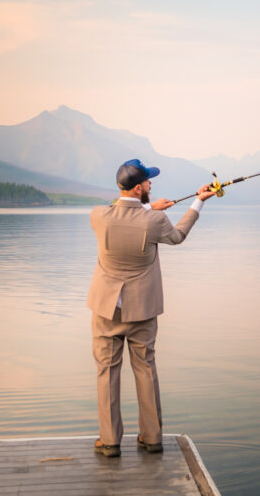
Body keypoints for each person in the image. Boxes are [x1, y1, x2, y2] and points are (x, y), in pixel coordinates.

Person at [88, 158, 216, 457]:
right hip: (142, 310)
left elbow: (117, 209)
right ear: (137, 188)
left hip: (106, 310)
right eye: (147, 182)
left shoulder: (98, 216)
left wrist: (145, 207)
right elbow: (178, 235)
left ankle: (108, 442)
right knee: (145, 369)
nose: (151, 185)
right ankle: (151, 438)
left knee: (106, 372)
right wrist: (198, 201)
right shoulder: (155, 221)